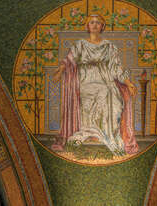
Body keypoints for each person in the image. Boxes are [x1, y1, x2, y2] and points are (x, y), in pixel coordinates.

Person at [51, 14, 139, 156]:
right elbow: (68, 61)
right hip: (86, 80)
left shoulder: (108, 46)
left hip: (105, 79)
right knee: (99, 95)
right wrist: (60, 71)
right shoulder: (80, 45)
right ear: (87, 26)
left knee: (113, 98)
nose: (95, 25)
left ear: (102, 27)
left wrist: (128, 83)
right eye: (92, 22)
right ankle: (91, 134)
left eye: (98, 23)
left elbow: (116, 67)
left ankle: (104, 136)